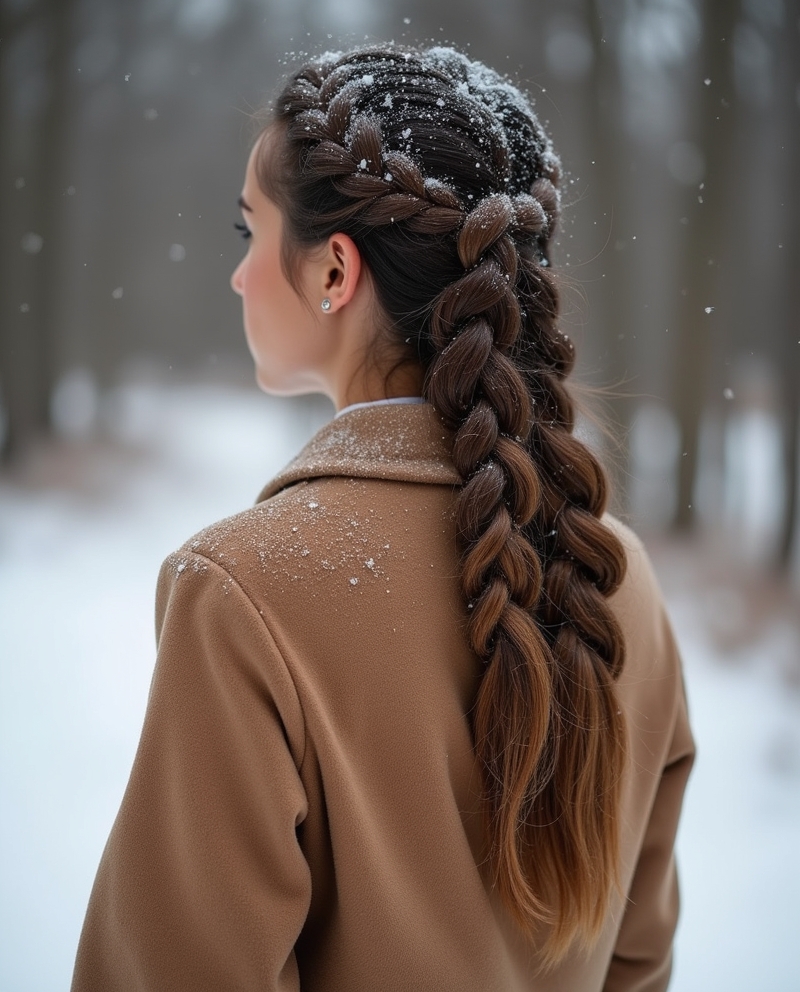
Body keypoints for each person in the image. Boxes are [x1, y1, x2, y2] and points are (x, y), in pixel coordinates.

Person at [71, 44, 694, 992]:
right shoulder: (613, 576)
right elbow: (638, 963)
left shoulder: (243, 596)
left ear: (333, 270)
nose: (239, 278)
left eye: (251, 234)